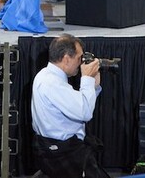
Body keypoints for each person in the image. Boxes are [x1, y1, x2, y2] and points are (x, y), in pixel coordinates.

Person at [31, 35, 108, 178]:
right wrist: (86, 79)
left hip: (57, 148)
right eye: (79, 58)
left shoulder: (46, 75)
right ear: (66, 58)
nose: (81, 63)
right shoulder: (52, 83)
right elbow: (85, 113)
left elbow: (77, 105)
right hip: (63, 152)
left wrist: (94, 86)